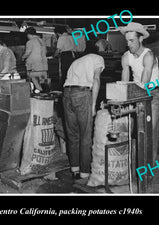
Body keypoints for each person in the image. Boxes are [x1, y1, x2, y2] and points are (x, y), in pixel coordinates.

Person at [120, 22, 159, 163]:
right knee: (137, 132)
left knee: (149, 134)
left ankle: (147, 172)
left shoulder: (148, 55)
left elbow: (145, 84)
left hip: (152, 95)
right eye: (127, 41)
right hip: (136, 93)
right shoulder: (126, 56)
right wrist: (122, 99)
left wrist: (131, 95)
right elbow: (124, 82)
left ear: (140, 39)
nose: (129, 44)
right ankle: (137, 166)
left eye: (132, 40)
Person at [63, 46, 105, 180]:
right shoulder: (97, 58)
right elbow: (96, 80)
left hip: (66, 94)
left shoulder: (76, 61)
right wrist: (93, 105)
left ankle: (74, 168)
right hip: (82, 94)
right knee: (85, 136)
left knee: (72, 134)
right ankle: (85, 173)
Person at [22, 27, 48, 91]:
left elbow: (27, 53)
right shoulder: (42, 41)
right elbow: (46, 51)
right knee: (44, 82)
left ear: (28, 34)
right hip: (44, 66)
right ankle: (45, 92)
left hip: (34, 66)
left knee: (33, 80)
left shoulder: (30, 42)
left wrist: (23, 57)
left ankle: (38, 92)